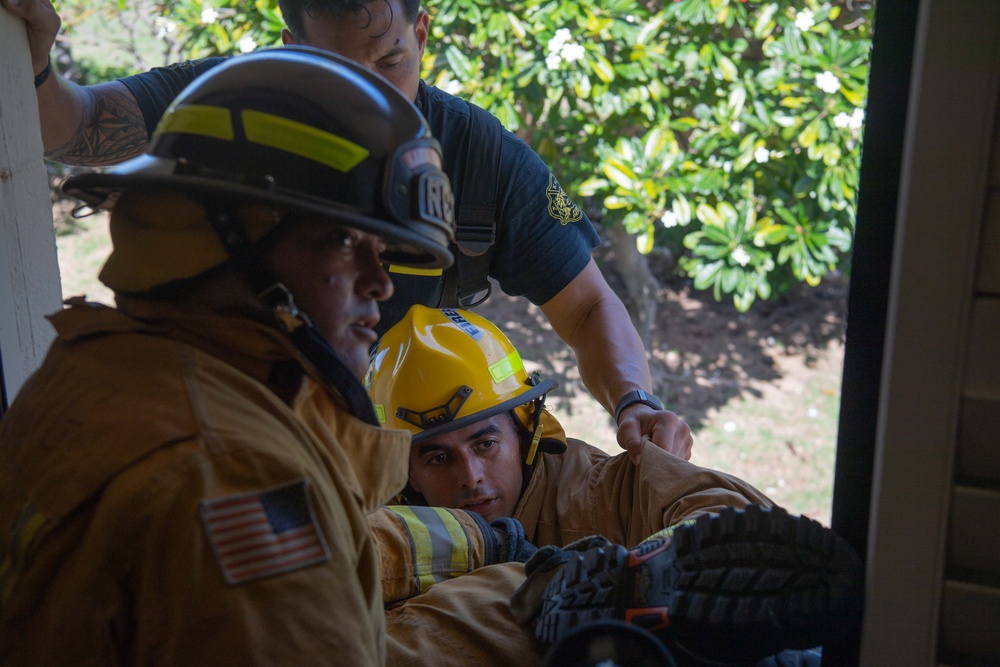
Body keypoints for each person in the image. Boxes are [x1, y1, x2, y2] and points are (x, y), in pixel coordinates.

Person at [2, 0, 695, 462]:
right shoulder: (231, 106)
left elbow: (587, 304)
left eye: (391, 60)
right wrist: (28, 61)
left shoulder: (479, 157)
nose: (370, 92)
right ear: (290, 48)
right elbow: (83, 126)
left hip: (421, 455)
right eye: (335, 68)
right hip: (240, 434)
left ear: (421, 32)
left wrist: (636, 399)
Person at [0, 45, 482, 665]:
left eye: (382, 249)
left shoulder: (101, 371)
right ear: (224, 237)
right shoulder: (231, 469)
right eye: (341, 238)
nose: (380, 282)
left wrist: (499, 589)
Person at [366, 306, 862, 665]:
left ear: (524, 431)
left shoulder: (592, 486)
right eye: (437, 457)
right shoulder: (384, 524)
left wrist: (642, 575)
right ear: (404, 474)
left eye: (485, 443)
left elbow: (721, 517)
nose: (470, 477)